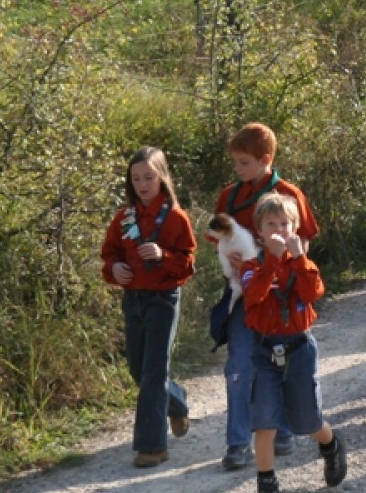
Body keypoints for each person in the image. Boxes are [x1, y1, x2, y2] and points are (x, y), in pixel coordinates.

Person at [213, 123, 320, 471]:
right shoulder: (228, 196)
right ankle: (237, 441)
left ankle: (282, 429)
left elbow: (305, 241)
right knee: (239, 366)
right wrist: (228, 255)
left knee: (283, 364)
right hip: (244, 293)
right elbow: (214, 237)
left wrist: (285, 257)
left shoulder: (289, 193)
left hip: (283, 298)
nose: (238, 169)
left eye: (244, 162)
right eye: (235, 162)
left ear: (266, 160)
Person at [243, 192, 348, 493]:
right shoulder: (252, 266)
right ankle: (267, 484)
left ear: (296, 228)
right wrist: (272, 261)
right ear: (259, 231)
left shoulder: (304, 263)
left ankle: (330, 444)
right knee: (265, 422)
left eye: (284, 224)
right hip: (264, 349)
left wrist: (298, 259)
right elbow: (253, 296)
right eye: (270, 224)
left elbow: (313, 292)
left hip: (299, 347)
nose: (278, 230)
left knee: (305, 420)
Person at [100, 146, 195, 468]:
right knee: (139, 370)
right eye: (136, 178)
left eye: (149, 177)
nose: (142, 184)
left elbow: (186, 263)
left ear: (162, 177)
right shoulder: (124, 217)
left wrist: (163, 256)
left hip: (163, 300)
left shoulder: (175, 217)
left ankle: (153, 447)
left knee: (154, 372)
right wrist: (114, 268)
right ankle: (177, 403)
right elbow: (110, 253)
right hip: (134, 299)